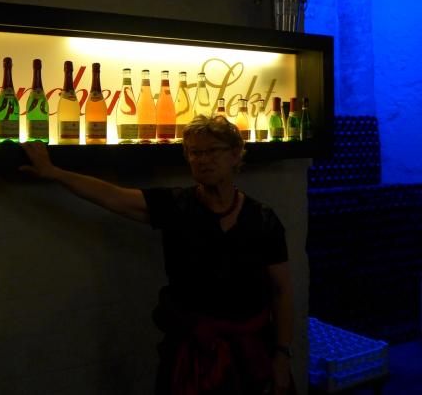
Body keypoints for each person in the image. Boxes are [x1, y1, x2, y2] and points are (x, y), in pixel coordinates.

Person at [19, 115, 295, 395]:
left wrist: (282, 353)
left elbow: (281, 291)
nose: (203, 160)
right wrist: (55, 173)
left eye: (212, 151)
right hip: (189, 355)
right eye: (195, 152)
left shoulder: (262, 219)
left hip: (250, 354)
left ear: (235, 155)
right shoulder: (177, 205)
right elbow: (112, 195)